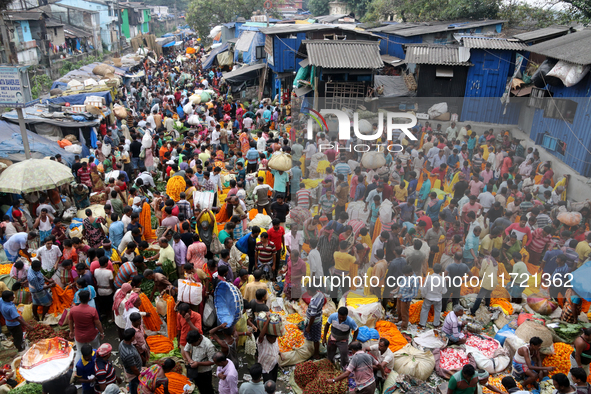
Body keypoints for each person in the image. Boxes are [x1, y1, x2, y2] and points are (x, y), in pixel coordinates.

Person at [69, 290, 105, 364]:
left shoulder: (73, 310)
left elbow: (70, 321)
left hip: (79, 336)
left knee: (79, 351)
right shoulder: (92, 310)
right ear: (89, 298)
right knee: (96, 349)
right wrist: (101, 332)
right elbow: (98, 323)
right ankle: (98, 365)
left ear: (79, 299)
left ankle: (76, 370)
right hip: (91, 335)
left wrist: (72, 331)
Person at [419, 264, 447, 328]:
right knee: (437, 311)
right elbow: (444, 291)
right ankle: (436, 323)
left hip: (428, 297)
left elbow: (424, 288)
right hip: (438, 298)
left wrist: (424, 295)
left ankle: (422, 323)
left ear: (433, 269)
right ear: (440, 270)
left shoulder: (428, 278)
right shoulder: (442, 279)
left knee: (425, 309)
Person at [258, 312, 281, 382]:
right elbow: (261, 335)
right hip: (266, 369)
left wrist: (281, 354)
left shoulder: (275, 340)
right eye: (272, 339)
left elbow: (276, 349)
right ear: (267, 336)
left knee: (274, 381)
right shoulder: (262, 341)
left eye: (275, 339)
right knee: (268, 384)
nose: (274, 340)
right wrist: (268, 320)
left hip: (274, 366)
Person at [120, 328, 143, 394]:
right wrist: (140, 375)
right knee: (135, 386)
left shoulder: (122, 343)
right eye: (134, 335)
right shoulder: (128, 353)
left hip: (130, 370)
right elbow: (134, 369)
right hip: (133, 374)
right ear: (132, 338)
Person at [305, 286, 325, 359]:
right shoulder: (320, 294)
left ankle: (316, 354)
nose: (307, 291)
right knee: (315, 335)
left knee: (316, 338)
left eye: (307, 290)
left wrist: (309, 327)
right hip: (319, 318)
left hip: (314, 322)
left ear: (310, 290)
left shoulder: (314, 303)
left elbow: (312, 316)